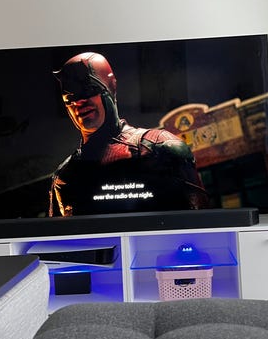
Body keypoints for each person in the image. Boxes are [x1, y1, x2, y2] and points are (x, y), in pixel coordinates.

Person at [49, 52, 209, 217]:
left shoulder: (162, 149)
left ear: (111, 88)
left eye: (89, 90)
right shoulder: (64, 176)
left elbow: (197, 223)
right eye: (70, 97)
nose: (79, 102)